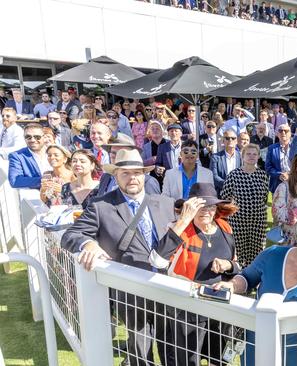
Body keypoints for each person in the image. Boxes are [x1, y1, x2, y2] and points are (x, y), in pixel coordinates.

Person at [61, 149, 176, 366]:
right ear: (116, 176)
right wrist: (90, 243)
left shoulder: (164, 203)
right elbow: (70, 235)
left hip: (166, 286)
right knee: (140, 350)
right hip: (130, 290)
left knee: (172, 347)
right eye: (125, 173)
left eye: (137, 173)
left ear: (144, 175)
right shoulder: (101, 205)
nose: (132, 178)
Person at [215, 215, 297, 366]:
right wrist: (231, 285)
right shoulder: (273, 254)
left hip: (296, 350)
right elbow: (247, 278)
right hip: (257, 341)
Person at [151, 183, 241, 366]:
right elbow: (157, 261)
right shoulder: (180, 230)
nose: (206, 211)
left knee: (220, 360)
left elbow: (238, 266)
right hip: (187, 310)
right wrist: (183, 221)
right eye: (200, 206)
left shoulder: (225, 228)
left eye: (210, 206)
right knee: (187, 360)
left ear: (216, 208)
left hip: (219, 308)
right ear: (189, 208)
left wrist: (228, 265)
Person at [220, 143, 269, 267]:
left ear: (258, 157)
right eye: (248, 154)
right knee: (238, 248)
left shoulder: (263, 175)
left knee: (257, 248)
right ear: (242, 156)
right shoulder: (234, 175)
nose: (251, 157)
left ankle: (254, 274)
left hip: (258, 220)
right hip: (238, 220)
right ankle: (239, 274)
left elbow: (264, 198)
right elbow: (225, 197)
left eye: (254, 154)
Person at [96, 134, 161, 196]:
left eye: (122, 154)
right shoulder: (106, 177)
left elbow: (155, 206)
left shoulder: (148, 183)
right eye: (113, 155)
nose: (117, 158)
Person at [9, 124, 51, 189]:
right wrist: (45, 180)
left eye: (37, 137)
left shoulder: (54, 152)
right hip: (36, 195)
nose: (32, 140)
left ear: (44, 137)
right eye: (28, 137)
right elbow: (15, 181)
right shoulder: (17, 156)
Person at [265, 124, 297, 193]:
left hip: (295, 183)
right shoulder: (272, 148)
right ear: (277, 134)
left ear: (290, 133)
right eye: (280, 131)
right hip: (277, 184)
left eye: (286, 131)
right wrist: (279, 174)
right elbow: (268, 167)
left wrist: (290, 175)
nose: (283, 133)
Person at [210, 129, 241, 196]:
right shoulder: (215, 157)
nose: (230, 140)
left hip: (239, 194)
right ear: (223, 141)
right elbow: (214, 176)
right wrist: (228, 186)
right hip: (221, 193)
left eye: (233, 138)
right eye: (227, 138)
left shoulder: (242, 157)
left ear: (236, 141)